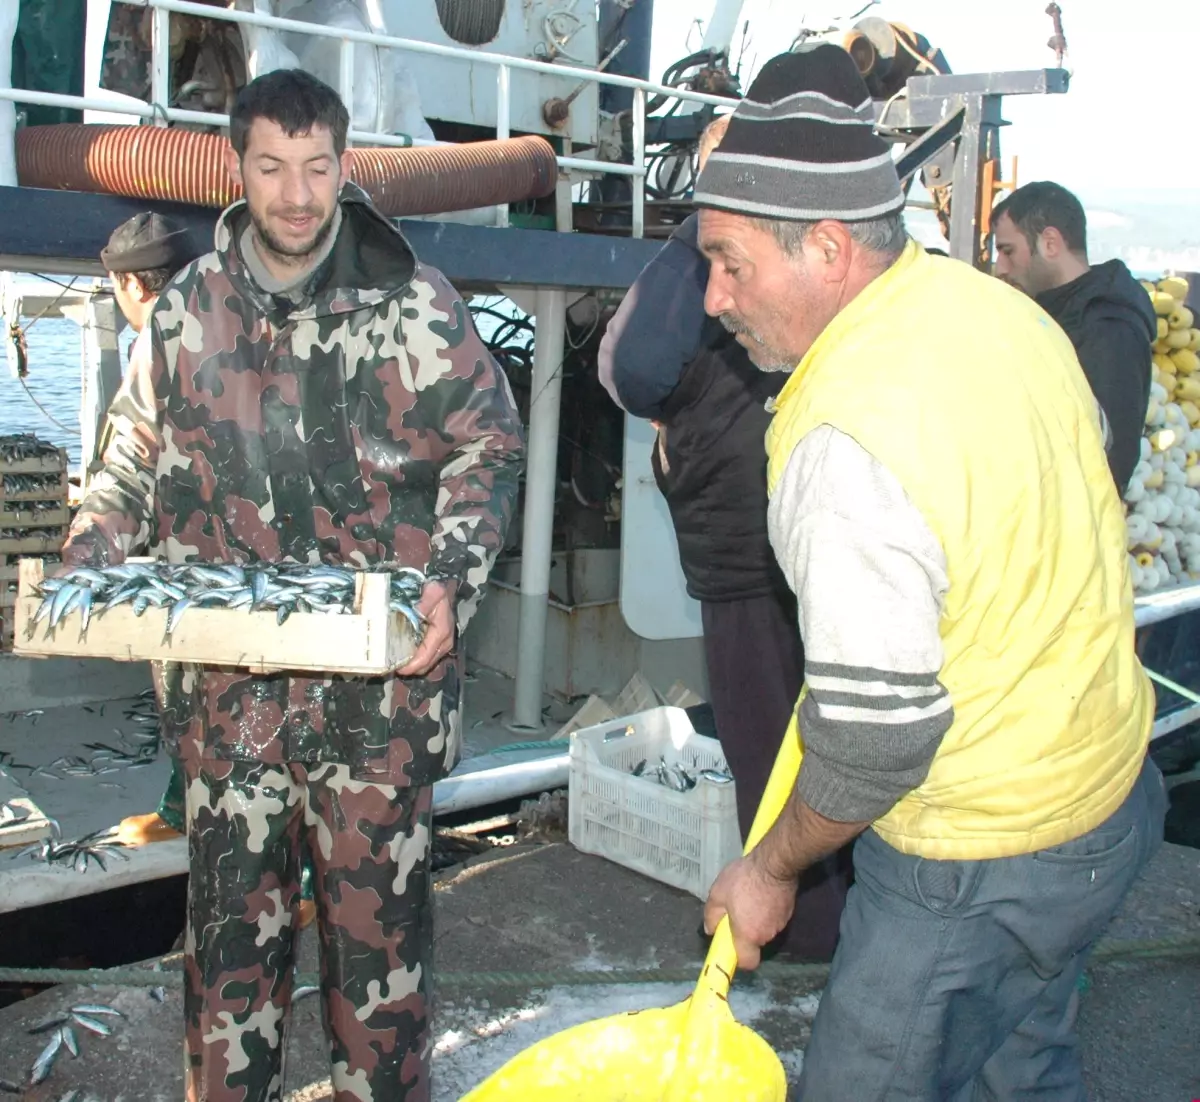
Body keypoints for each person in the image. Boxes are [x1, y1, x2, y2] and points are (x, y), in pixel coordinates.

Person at [695, 46, 1164, 1100]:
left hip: (979, 857)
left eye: (730, 263)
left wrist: (769, 871)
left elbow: (874, 744)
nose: (713, 296)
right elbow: (1081, 476)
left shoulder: (844, 433)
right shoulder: (998, 312)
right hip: (1107, 798)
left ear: (824, 248)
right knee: (1022, 1064)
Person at [62, 68, 524, 1102]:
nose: (298, 195)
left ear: (345, 164)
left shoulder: (416, 303)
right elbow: (129, 456)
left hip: (378, 706)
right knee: (227, 971)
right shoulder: (185, 312)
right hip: (232, 711)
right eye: (273, 167)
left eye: (318, 168)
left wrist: (450, 577)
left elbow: (489, 443)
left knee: (381, 980)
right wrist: (90, 548)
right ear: (238, 169)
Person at [597, 115, 848, 961]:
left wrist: (689, 235)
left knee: (772, 753)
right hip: (824, 544)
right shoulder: (828, 245)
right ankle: (858, 935)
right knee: (843, 739)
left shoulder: (708, 251)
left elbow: (634, 367)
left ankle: (810, 953)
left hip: (750, 552)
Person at [992, 180, 1155, 493]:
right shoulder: (1050, 313)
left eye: (1008, 251)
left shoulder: (1108, 329)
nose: (1001, 267)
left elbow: (1111, 460)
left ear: (1050, 243)